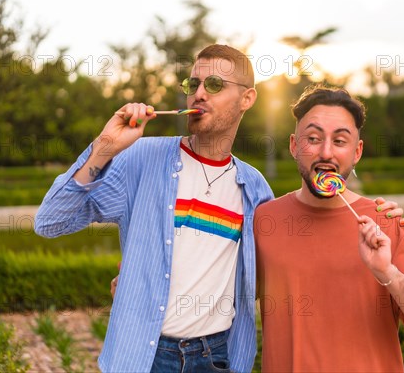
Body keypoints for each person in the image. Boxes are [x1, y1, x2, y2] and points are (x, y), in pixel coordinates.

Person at [35, 44, 273, 372]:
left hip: (215, 357)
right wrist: (104, 148)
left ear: (247, 98)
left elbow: (264, 277)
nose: (199, 94)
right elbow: (50, 222)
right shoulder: (140, 159)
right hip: (144, 358)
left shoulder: (255, 188)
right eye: (193, 85)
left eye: (215, 85)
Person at [254, 86, 404, 372]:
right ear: (294, 145)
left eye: (340, 141)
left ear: (357, 152)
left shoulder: (386, 223)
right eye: (313, 138)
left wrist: (387, 272)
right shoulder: (263, 221)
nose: (326, 152)